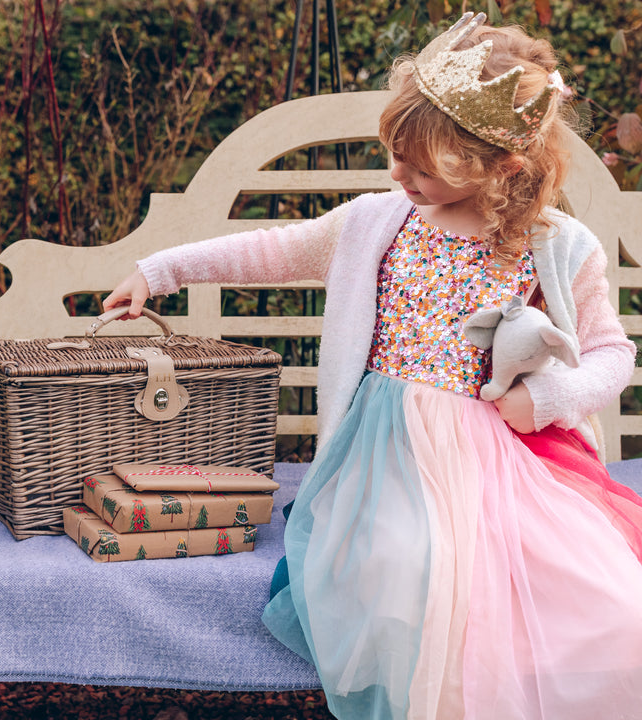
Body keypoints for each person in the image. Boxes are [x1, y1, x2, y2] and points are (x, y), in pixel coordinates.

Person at [103, 13, 642, 719]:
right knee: (404, 567)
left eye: (425, 167)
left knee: (590, 590)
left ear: (503, 165)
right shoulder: (375, 224)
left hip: (506, 459)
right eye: (396, 155)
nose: (401, 175)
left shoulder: (557, 246)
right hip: (385, 454)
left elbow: (610, 353)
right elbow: (273, 249)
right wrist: (159, 271)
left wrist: (549, 399)